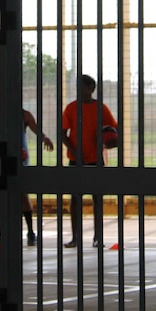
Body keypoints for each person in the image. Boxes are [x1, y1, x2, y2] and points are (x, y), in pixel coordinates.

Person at [61, 74, 117, 248]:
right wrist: (73, 152)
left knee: (97, 199)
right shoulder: (71, 108)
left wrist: (110, 141)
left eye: (82, 87)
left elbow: (113, 131)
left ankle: (97, 237)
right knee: (75, 199)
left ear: (91, 88)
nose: (79, 90)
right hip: (76, 161)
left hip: (95, 160)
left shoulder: (100, 108)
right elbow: (63, 133)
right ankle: (75, 237)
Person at [21, 109, 53, 246]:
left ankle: (30, 231)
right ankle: (30, 232)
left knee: (22, 194)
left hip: (18, 156)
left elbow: (36, 130)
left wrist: (44, 137)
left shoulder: (23, 115)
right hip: (10, 155)